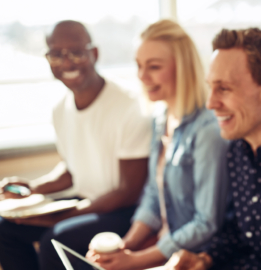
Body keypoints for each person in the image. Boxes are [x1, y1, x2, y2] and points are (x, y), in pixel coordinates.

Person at [0, 20, 151, 270]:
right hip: (86, 202)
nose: (67, 62)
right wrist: (34, 188)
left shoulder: (129, 105)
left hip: (125, 210)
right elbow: (71, 169)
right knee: (4, 229)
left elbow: (128, 192)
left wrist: (59, 216)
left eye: (76, 52)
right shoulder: (60, 110)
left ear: (94, 54)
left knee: (55, 238)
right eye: (56, 54)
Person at [86, 19, 229, 270]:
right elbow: (153, 194)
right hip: (163, 243)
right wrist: (125, 246)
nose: (142, 76)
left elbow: (206, 223)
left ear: (182, 68)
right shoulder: (161, 118)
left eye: (153, 66)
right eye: (139, 65)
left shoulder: (208, 131)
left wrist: (135, 260)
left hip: (193, 257)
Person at [165, 28, 261, 270]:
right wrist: (204, 259)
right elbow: (238, 233)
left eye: (224, 88)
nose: (210, 103)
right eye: (210, 87)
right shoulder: (238, 149)